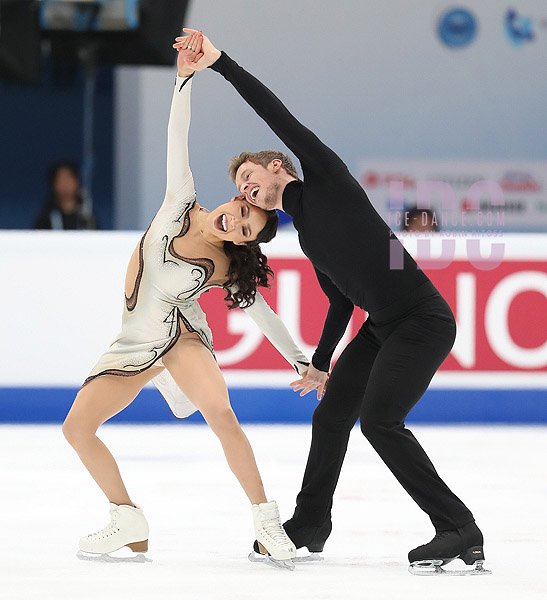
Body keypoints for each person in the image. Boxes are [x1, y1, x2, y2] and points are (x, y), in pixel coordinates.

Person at [175, 29, 489, 576]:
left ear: (278, 167)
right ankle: (310, 525)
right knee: (332, 414)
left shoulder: (326, 178)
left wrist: (219, 64)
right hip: (385, 325)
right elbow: (341, 301)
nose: (247, 189)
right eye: (240, 187)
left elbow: (276, 112)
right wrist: (320, 363)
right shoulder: (308, 236)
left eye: (250, 176)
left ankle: (458, 526)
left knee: (380, 422)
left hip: (422, 320)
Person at [62, 31, 308, 570]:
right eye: (242, 209)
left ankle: (267, 522)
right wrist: (184, 77)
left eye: (245, 229)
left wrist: (303, 360)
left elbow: (262, 313)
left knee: (220, 413)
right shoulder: (181, 198)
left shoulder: (221, 267)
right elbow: (179, 134)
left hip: (177, 336)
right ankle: (128, 520)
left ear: (244, 244)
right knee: (76, 428)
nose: (236, 221)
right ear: (235, 195)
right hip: (133, 339)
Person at [34, 161, 97, 230]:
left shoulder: (87, 216)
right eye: (61, 180)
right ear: (53, 184)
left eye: (69, 178)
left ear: (77, 181)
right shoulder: (45, 217)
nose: (65, 184)